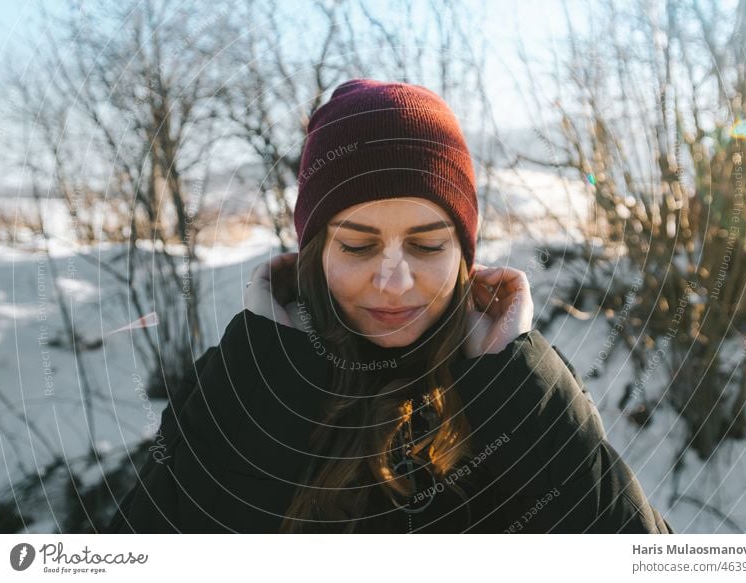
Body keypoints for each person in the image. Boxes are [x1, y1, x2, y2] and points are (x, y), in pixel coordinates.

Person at [104, 78, 674, 534]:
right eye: (358, 245)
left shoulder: (521, 386)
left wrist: (520, 384)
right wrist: (262, 372)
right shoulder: (243, 382)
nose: (395, 281)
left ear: (465, 254)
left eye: (428, 245)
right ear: (314, 252)